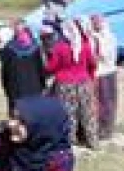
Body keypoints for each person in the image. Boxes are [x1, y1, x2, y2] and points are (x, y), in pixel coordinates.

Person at [42, 20, 99, 148]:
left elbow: (51, 67)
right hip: (84, 83)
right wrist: (89, 75)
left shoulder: (60, 47)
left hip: (65, 85)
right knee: (88, 113)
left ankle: (69, 141)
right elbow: (93, 63)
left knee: (68, 114)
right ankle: (92, 141)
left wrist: (46, 64)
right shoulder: (84, 45)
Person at [0, 20, 45, 107]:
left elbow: (4, 72)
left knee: (19, 116)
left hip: (16, 88)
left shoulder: (9, 48)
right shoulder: (35, 47)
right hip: (35, 87)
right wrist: (42, 86)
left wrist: (6, 88)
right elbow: (41, 70)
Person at [89, 14, 120, 140]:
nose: (95, 24)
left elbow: (104, 55)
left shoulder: (109, 37)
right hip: (95, 73)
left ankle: (106, 129)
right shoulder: (91, 36)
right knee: (95, 102)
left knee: (107, 102)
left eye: (97, 21)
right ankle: (96, 128)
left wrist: (94, 56)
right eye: (93, 22)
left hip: (106, 72)